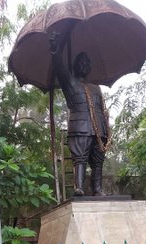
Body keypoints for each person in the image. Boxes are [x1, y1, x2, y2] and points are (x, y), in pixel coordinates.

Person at [50, 33, 111, 197]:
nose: (84, 65)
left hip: (99, 129)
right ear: (75, 65)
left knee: (98, 161)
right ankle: (79, 188)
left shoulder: (96, 87)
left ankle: (97, 189)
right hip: (79, 127)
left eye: (87, 63)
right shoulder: (70, 83)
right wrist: (56, 50)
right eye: (80, 63)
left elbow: (101, 108)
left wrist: (106, 129)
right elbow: (60, 69)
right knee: (80, 158)